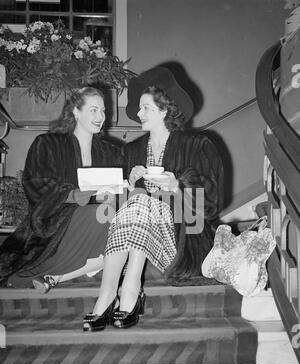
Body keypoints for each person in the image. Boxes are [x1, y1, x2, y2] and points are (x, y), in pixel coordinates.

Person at [83, 67, 224, 332]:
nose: (138, 114)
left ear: (165, 110)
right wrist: (129, 183)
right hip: (136, 231)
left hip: (184, 235)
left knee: (142, 202)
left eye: (145, 108)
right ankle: (114, 294)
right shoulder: (133, 150)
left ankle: (124, 291)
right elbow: (116, 207)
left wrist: (178, 185)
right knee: (138, 200)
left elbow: (213, 201)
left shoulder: (198, 145)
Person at [0, 87, 124, 292]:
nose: (101, 116)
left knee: (117, 221)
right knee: (101, 216)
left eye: (103, 111)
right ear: (76, 110)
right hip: (53, 221)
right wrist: (73, 195)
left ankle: (55, 277)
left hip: (101, 217)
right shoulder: (47, 143)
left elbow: (119, 185)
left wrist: (116, 194)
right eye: (93, 110)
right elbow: (36, 183)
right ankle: (42, 272)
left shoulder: (110, 151)